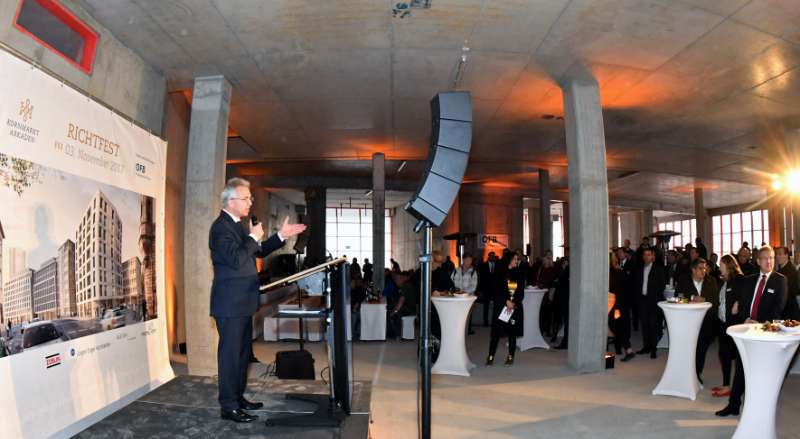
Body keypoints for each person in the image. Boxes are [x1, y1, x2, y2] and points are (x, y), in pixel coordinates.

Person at [209, 178, 306, 423]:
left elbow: (258, 251)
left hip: (243, 301)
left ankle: (238, 397)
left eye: (250, 198)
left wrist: (281, 235)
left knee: (242, 354)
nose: (250, 202)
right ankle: (228, 406)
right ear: (230, 201)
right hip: (230, 304)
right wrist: (252, 238)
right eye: (246, 198)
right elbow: (236, 260)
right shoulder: (220, 228)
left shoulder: (238, 226)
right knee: (230, 355)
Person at [717, 245, 788, 417]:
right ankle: (733, 405)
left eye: (771, 258)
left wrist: (762, 324)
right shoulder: (749, 280)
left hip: (766, 333)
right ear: (758, 261)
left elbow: (779, 309)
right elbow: (743, 304)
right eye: (765, 258)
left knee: (762, 372)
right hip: (748, 329)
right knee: (741, 367)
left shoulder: (780, 280)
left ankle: (760, 409)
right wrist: (745, 318)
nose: (769, 261)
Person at [676, 258, 718, 384]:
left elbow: (715, 300)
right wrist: (693, 298)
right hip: (688, 320)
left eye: (705, 268)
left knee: (701, 348)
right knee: (688, 348)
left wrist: (703, 299)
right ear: (693, 270)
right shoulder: (684, 280)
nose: (703, 271)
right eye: (700, 268)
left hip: (706, 321)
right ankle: (685, 371)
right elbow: (679, 297)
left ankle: (697, 373)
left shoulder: (711, 281)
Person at [712, 254, 744, 398]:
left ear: (728, 265)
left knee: (737, 357)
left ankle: (737, 387)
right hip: (722, 322)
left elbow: (746, 295)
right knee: (723, 354)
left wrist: (738, 303)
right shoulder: (723, 281)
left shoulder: (739, 279)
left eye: (721, 264)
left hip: (734, 325)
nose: (719, 267)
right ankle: (726, 385)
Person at [486, 252, 525, 366]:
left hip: (513, 308)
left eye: (517, 259)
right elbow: (496, 291)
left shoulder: (519, 274)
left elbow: (521, 293)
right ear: (509, 259)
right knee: (496, 333)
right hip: (501, 308)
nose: (516, 261)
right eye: (514, 259)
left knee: (512, 333)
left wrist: (513, 303)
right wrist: (506, 301)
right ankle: (490, 356)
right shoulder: (500, 273)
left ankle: (510, 356)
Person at [634, 248, 665, 358]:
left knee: (653, 325)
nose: (646, 257)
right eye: (644, 255)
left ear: (653, 257)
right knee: (644, 325)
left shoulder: (659, 269)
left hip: (653, 301)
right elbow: (636, 285)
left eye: (648, 255)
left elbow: (661, 286)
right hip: (642, 300)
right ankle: (646, 347)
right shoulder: (639, 269)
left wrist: (655, 298)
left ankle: (653, 349)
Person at [609, 251, 635, 361]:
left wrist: (617, 308)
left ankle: (628, 350)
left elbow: (620, 291)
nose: (616, 259)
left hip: (618, 304)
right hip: (614, 303)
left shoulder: (618, 272)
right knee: (616, 327)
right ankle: (625, 349)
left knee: (617, 327)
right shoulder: (614, 271)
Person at [451, 254, 478, 334]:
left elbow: (474, 286)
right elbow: (451, 281)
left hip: (468, 297)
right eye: (467, 260)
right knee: (457, 315)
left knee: (468, 315)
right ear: (463, 260)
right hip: (456, 297)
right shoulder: (456, 270)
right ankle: (457, 330)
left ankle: (467, 330)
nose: (469, 262)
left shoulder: (473, 272)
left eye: (470, 260)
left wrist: (464, 293)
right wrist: (456, 291)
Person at [776, 246, 800, 319]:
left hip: (790, 311)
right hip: (783, 309)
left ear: (786, 255)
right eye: (777, 254)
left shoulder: (792, 271)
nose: (777, 256)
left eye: (780, 254)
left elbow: (791, 292)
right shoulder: (779, 270)